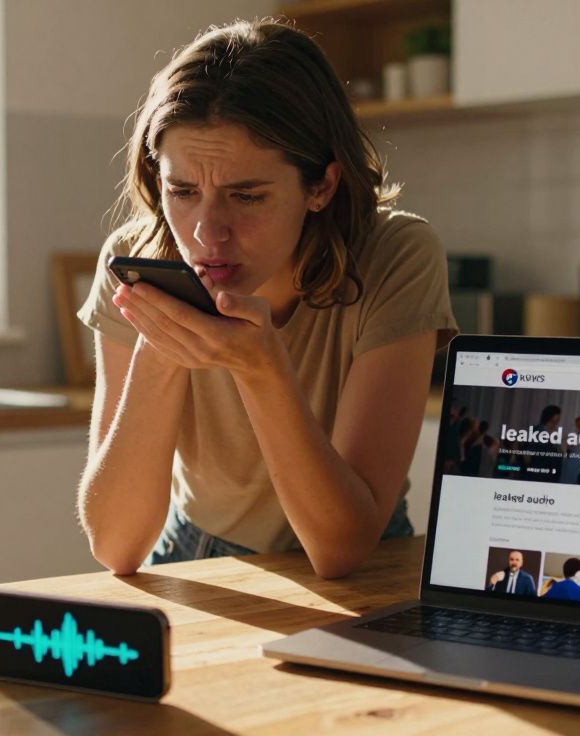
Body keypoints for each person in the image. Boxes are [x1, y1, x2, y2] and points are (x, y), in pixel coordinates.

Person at [76, 20, 458, 579]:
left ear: (321, 186)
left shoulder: (396, 255)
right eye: (181, 191)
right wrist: (161, 350)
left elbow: (341, 548)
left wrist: (261, 368)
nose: (208, 232)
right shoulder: (137, 259)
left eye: (246, 196)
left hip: (363, 558)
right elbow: (115, 545)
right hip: (197, 550)